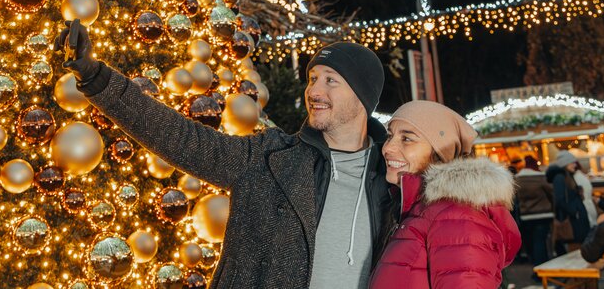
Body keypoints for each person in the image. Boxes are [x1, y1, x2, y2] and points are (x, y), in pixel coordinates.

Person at [56, 19, 394, 288]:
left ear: (362, 96)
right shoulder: (269, 157)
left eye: (330, 81)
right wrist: (96, 77)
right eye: (312, 78)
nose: (314, 91)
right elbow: (180, 137)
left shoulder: (393, 183)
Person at [368, 101, 520, 288]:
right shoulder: (418, 210)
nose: (387, 148)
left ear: (439, 152)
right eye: (390, 136)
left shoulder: (456, 216)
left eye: (407, 139)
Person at [546, 151, 591, 254]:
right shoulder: (560, 178)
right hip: (572, 222)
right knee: (575, 251)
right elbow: (560, 200)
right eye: (572, 162)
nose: (575, 164)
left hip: (576, 220)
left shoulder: (568, 176)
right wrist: (574, 212)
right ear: (565, 163)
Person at [515, 155, 554, 267]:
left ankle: (536, 267)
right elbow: (551, 192)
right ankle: (542, 268)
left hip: (526, 215)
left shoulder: (518, 179)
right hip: (543, 214)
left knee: (532, 242)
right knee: (541, 242)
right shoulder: (540, 177)